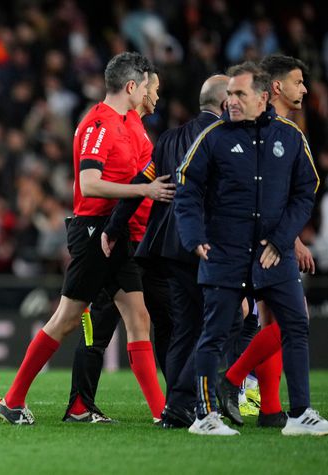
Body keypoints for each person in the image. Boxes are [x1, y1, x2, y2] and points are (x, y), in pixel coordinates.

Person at [0, 52, 175, 425]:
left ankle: (162, 414)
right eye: (146, 86)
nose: (149, 93)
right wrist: (143, 193)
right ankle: (12, 400)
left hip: (117, 233)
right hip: (94, 230)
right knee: (65, 317)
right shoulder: (99, 124)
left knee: (138, 316)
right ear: (132, 86)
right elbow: (89, 184)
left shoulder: (127, 124)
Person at [175, 61, 327, 436]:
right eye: (229, 94)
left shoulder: (290, 137)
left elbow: (305, 191)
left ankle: (300, 414)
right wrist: (193, 237)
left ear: (263, 96)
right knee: (214, 333)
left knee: (295, 325)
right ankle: (204, 416)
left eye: (239, 94)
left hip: (272, 254)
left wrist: (281, 239)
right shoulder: (213, 137)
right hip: (225, 251)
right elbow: (186, 187)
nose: (231, 101)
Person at [101, 75, 231, 428]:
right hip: (206, 245)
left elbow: (141, 181)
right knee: (222, 321)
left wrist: (114, 227)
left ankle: (177, 406)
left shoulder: (170, 139)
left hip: (164, 247)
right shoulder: (226, 138)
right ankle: (198, 400)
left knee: (181, 329)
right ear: (224, 104)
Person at [62, 70, 173, 424]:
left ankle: (170, 404)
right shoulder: (111, 125)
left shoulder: (135, 129)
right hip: (112, 235)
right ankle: (79, 404)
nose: (156, 95)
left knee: (146, 319)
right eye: (152, 88)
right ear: (135, 89)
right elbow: (104, 186)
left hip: (136, 239)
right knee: (98, 324)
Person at [216, 54, 315, 429]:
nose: (303, 88)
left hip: (274, 238)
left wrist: (293, 239)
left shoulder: (287, 131)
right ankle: (235, 380)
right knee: (292, 319)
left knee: (271, 320)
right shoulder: (265, 131)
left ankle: (271, 408)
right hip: (256, 243)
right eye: (297, 81)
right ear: (276, 88)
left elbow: (289, 194)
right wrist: (288, 239)